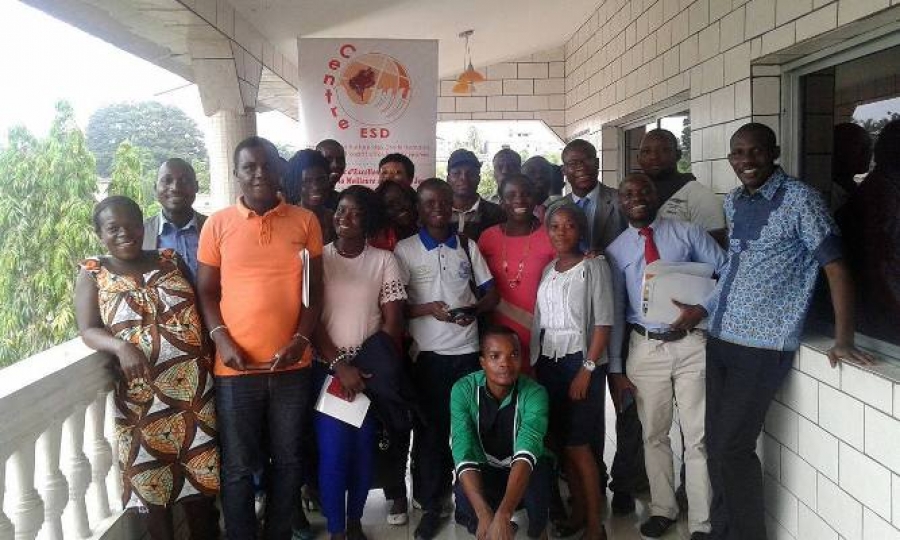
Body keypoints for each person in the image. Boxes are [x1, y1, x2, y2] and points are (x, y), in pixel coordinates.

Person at [690, 123, 874, 539]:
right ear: (730, 159)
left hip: (763, 346)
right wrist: (703, 310)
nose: (747, 160)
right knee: (715, 444)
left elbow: (835, 267)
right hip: (721, 337)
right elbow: (735, 268)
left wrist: (843, 338)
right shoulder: (734, 201)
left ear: (774, 152)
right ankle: (721, 532)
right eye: (738, 153)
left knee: (732, 448)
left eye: (756, 151)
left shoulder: (801, 200)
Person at [197, 136, 324, 540]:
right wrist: (223, 341)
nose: (259, 174)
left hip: (292, 367)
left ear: (280, 170)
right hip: (235, 369)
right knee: (238, 466)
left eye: (267, 165)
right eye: (249, 167)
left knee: (288, 461)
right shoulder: (217, 225)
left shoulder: (306, 221)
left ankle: (279, 534)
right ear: (236, 173)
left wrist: (300, 340)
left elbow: (315, 293)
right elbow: (206, 292)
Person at [75, 196, 219, 540]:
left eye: (132, 225)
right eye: (113, 228)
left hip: (195, 393)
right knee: (154, 490)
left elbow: (201, 306)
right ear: (99, 234)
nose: (125, 233)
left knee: (202, 486)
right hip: (142, 399)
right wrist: (120, 346)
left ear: (144, 227)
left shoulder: (170, 259)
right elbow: (88, 329)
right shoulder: (93, 272)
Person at [605, 174, 727, 539]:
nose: (637, 197)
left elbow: (727, 272)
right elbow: (615, 311)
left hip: (692, 344)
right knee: (653, 434)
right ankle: (663, 509)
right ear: (620, 202)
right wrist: (615, 368)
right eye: (628, 193)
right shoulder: (616, 250)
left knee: (698, 435)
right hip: (645, 348)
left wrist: (702, 309)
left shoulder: (688, 233)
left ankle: (702, 521)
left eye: (644, 190)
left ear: (656, 194)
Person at [393, 178, 499, 540]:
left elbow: (491, 293)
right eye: (429, 203)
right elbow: (395, 306)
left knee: (469, 431)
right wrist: (428, 310)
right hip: (428, 357)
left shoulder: (466, 245)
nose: (437, 208)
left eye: (443, 201)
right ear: (419, 209)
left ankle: (470, 505)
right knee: (431, 433)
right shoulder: (405, 250)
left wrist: (474, 310)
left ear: (452, 204)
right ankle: (430, 503)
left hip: (468, 352)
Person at [312, 185, 407, 540]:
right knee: (334, 454)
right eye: (341, 210)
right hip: (327, 372)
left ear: (369, 220)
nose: (345, 218)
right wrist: (340, 366)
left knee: (364, 453)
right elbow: (310, 319)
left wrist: (367, 368)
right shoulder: (318, 259)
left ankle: (355, 523)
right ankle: (337, 529)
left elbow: (393, 322)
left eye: (355, 212)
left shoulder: (384, 260)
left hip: (368, 375)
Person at [530, 203, 614, 540]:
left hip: (581, 362)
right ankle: (577, 512)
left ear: (581, 230)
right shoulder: (548, 269)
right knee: (562, 444)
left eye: (569, 226)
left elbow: (604, 322)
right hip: (549, 363)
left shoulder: (594, 266)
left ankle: (595, 524)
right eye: (555, 226)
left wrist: (587, 369)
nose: (561, 232)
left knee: (579, 445)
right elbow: (542, 320)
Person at [451, 326, 552, 540]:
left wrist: (504, 514)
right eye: (495, 356)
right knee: (464, 498)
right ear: (482, 362)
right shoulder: (463, 390)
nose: (505, 363)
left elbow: (527, 452)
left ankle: (538, 529)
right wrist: (484, 513)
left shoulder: (535, 393)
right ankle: (490, 527)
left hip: (524, 469)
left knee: (540, 480)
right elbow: (463, 450)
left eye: (513, 355)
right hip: (486, 468)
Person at [478, 174, 555, 374]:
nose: (519, 200)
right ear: (501, 201)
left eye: (526, 194)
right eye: (511, 195)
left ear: (535, 198)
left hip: (541, 332)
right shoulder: (488, 237)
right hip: (497, 334)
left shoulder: (551, 235)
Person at [840, 119, 899, 345]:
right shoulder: (882, 196)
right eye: (861, 147)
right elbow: (883, 265)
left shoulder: (882, 189)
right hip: (879, 318)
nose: (867, 153)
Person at [637, 129, 725, 238]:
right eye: (646, 151)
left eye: (664, 150)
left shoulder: (700, 196)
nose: (654, 156)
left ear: (678, 155)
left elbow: (715, 245)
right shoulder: (631, 198)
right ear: (638, 158)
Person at [142, 158, 206, 283]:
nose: (176, 188)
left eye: (185, 180)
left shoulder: (214, 228)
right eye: (167, 180)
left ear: (196, 186)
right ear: (155, 188)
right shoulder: (140, 233)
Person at [557, 139, 626, 252]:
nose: (581, 167)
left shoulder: (620, 200)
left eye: (587, 160)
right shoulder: (558, 207)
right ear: (564, 170)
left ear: (597, 163)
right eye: (573, 163)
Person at [447, 149, 506, 241]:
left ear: (478, 179)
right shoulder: (437, 212)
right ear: (448, 179)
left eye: (470, 173)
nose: (464, 178)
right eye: (457, 173)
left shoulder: (497, 214)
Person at [285, 149, 337, 244]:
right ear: (296, 184)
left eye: (321, 179)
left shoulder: (336, 220)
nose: (316, 187)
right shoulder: (286, 221)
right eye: (307, 181)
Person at [830, 122, 872, 210]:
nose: (868, 154)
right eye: (863, 148)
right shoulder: (830, 195)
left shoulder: (850, 189)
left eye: (868, 148)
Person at [371, 180, 418, 252]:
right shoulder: (379, 244)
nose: (399, 207)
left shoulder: (431, 231)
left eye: (402, 199)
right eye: (390, 205)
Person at [521, 156, 556, 221]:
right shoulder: (511, 212)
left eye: (544, 171)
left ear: (552, 177)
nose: (539, 176)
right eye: (531, 172)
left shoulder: (563, 208)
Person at [316, 139, 347, 210]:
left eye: (340, 159)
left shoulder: (342, 200)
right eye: (328, 159)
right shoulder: (298, 199)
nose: (335, 165)